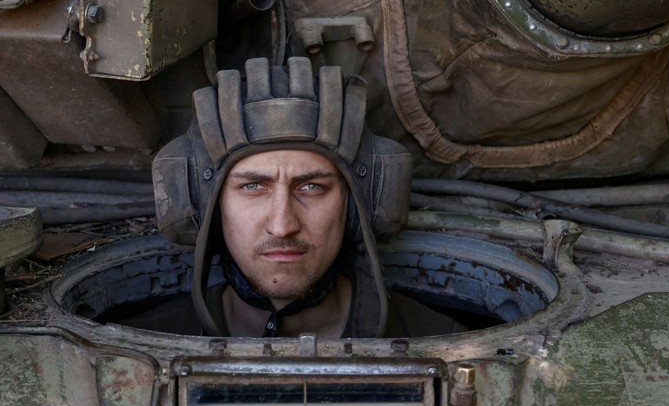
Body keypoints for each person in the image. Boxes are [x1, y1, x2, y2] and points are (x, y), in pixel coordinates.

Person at [147, 57, 464, 338]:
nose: (283, 226)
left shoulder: (437, 342)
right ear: (211, 206)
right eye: (253, 187)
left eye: (312, 187)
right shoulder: (149, 340)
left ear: (355, 206)